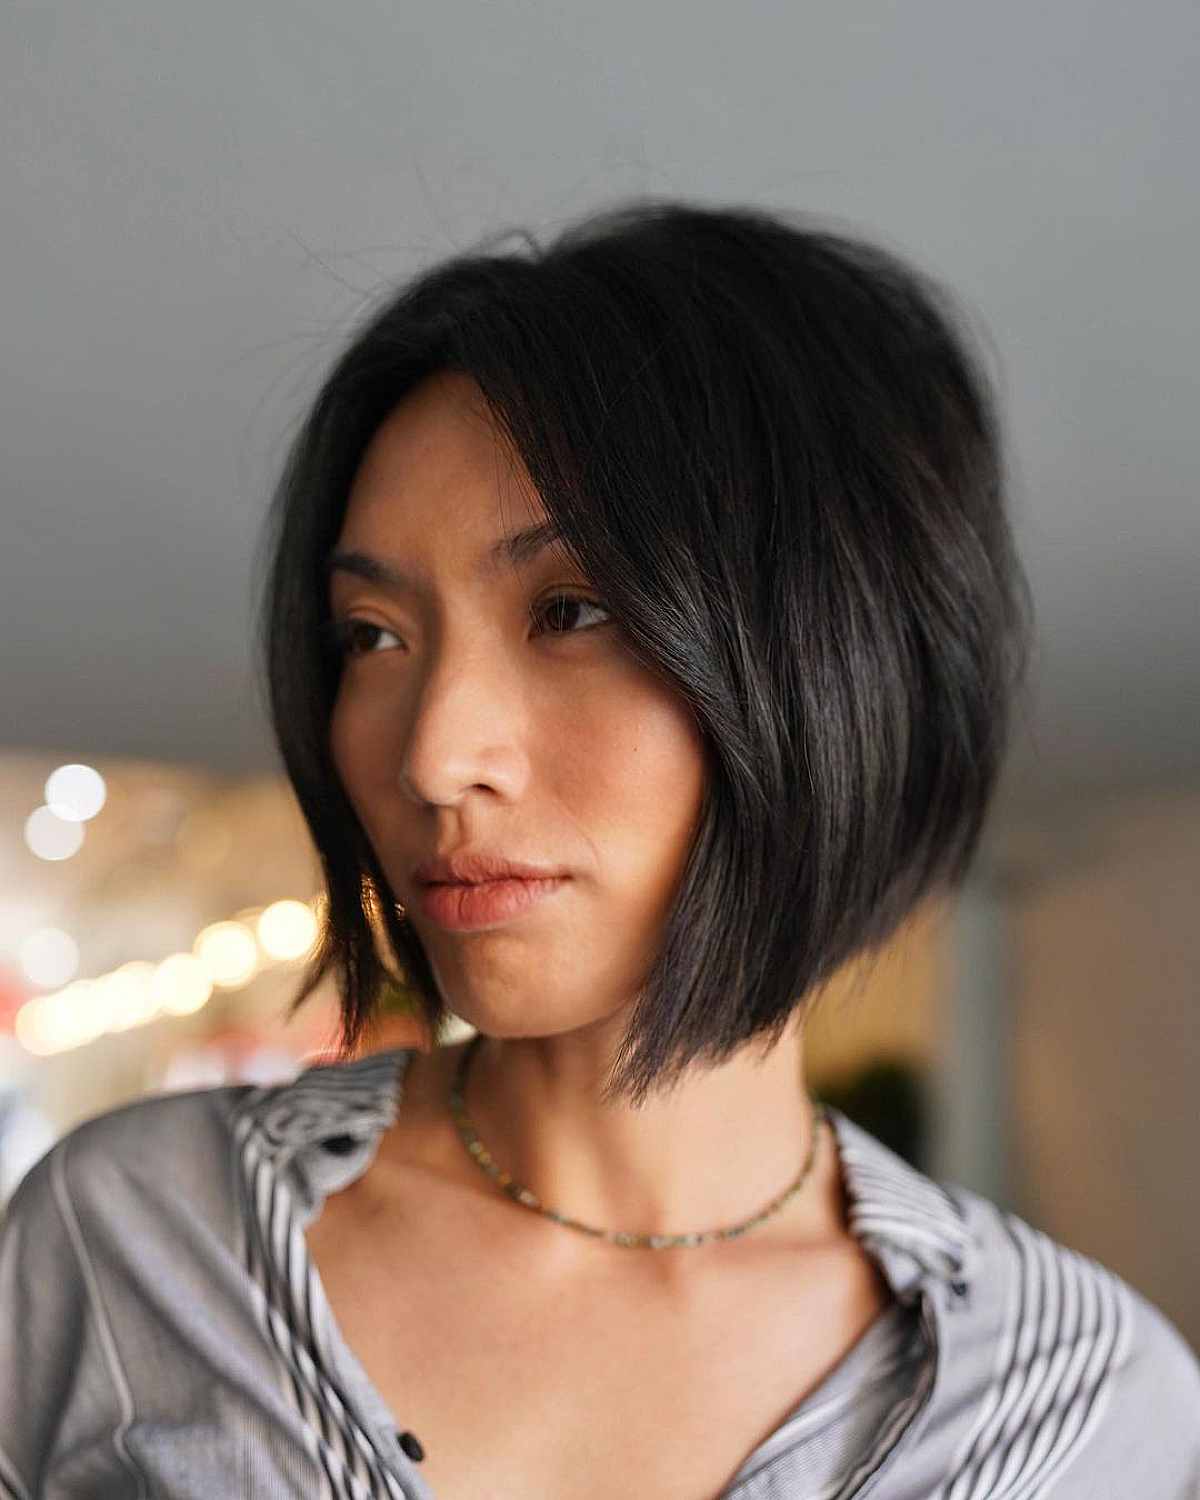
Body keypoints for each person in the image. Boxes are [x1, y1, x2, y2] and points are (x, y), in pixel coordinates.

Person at [2, 198, 1198, 1500]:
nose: (432, 758)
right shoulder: (133, 1246)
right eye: (373, 635)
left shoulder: (1083, 1405)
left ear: (834, 663)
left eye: (572, 610)